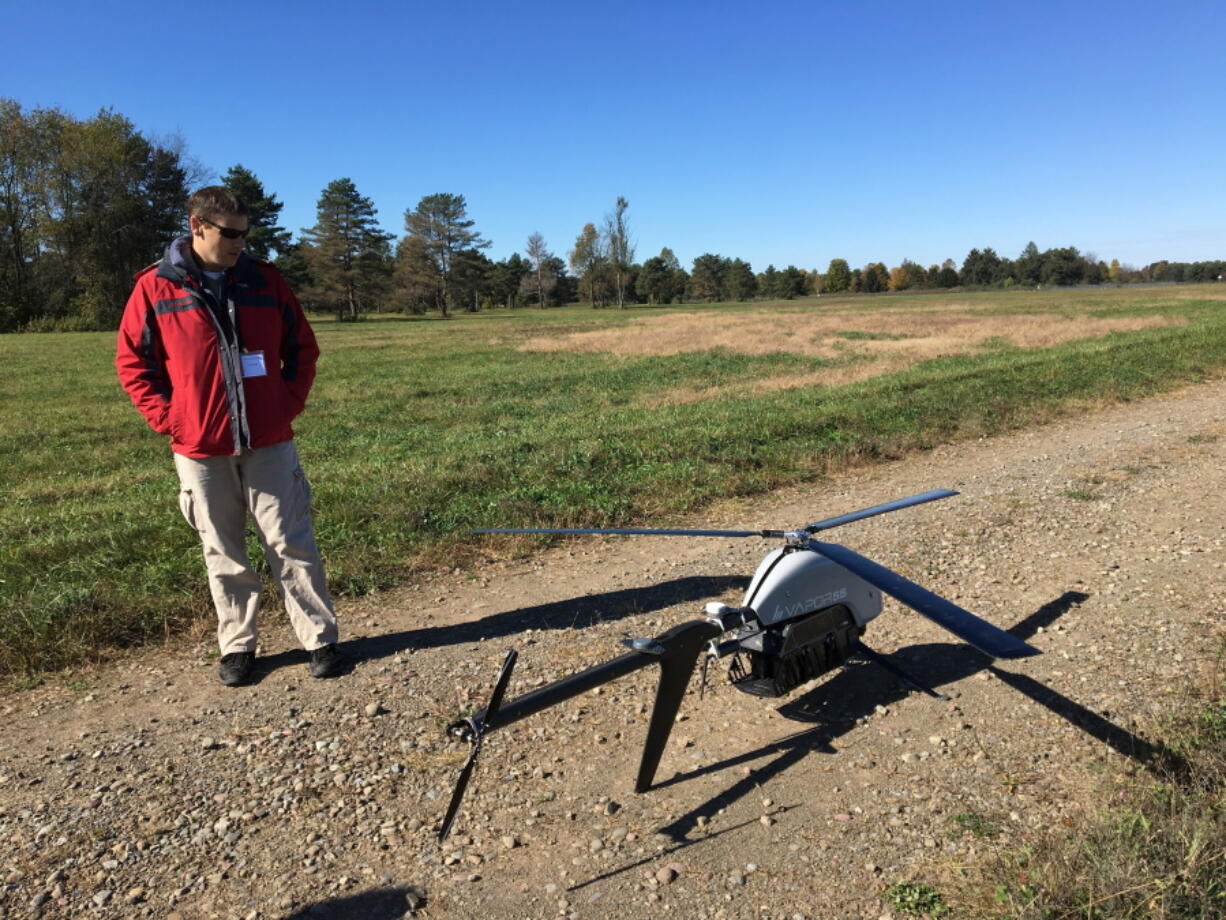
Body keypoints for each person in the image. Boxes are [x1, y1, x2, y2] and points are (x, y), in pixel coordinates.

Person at [116, 186, 342, 686]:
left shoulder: (265, 281)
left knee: (291, 541)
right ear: (197, 225)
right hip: (199, 448)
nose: (242, 242)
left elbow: (302, 348)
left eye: (246, 233)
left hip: (269, 441)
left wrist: (287, 404)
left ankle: (320, 640)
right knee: (222, 549)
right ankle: (238, 647)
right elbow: (133, 363)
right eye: (231, 233)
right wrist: (170, 420)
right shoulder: (155, 288)